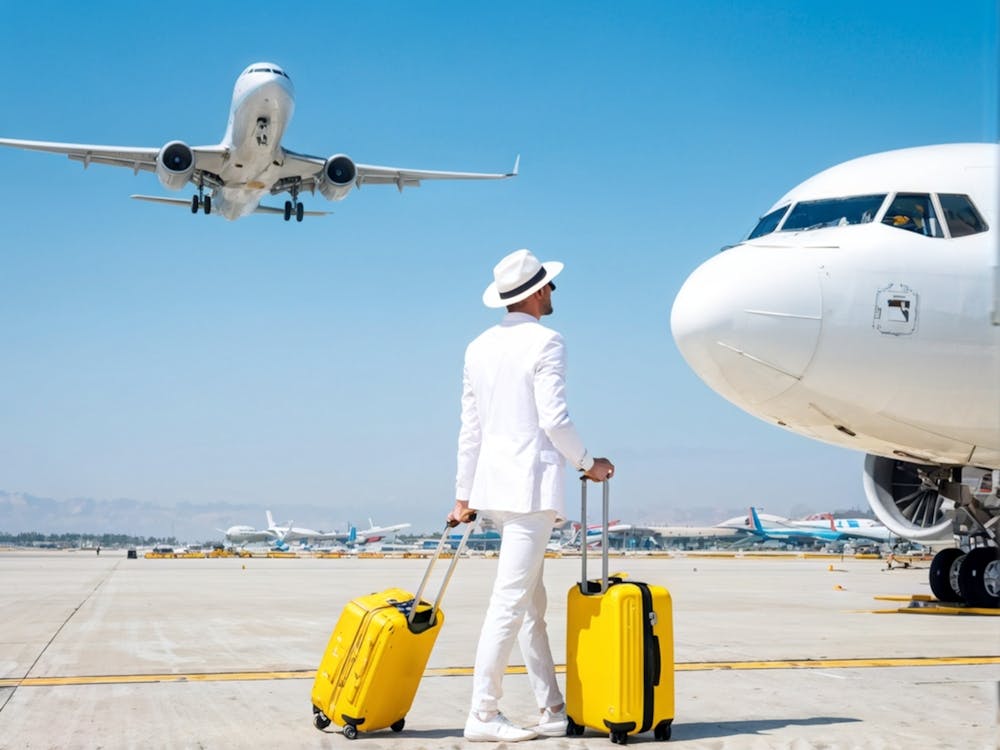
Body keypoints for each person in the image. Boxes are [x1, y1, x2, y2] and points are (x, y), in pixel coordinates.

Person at [449, 248, 614, 742]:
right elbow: (554, 419)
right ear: (538, 292)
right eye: (551, 287)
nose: (553, 294)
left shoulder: (477, 347)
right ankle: (482, 714)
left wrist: (463, 495)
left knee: (529, 606)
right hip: (529, 491)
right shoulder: (548, 341)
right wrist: (590, 464)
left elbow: (470, 430)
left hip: (493, 490)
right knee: (509, 602)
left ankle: (552, 708)